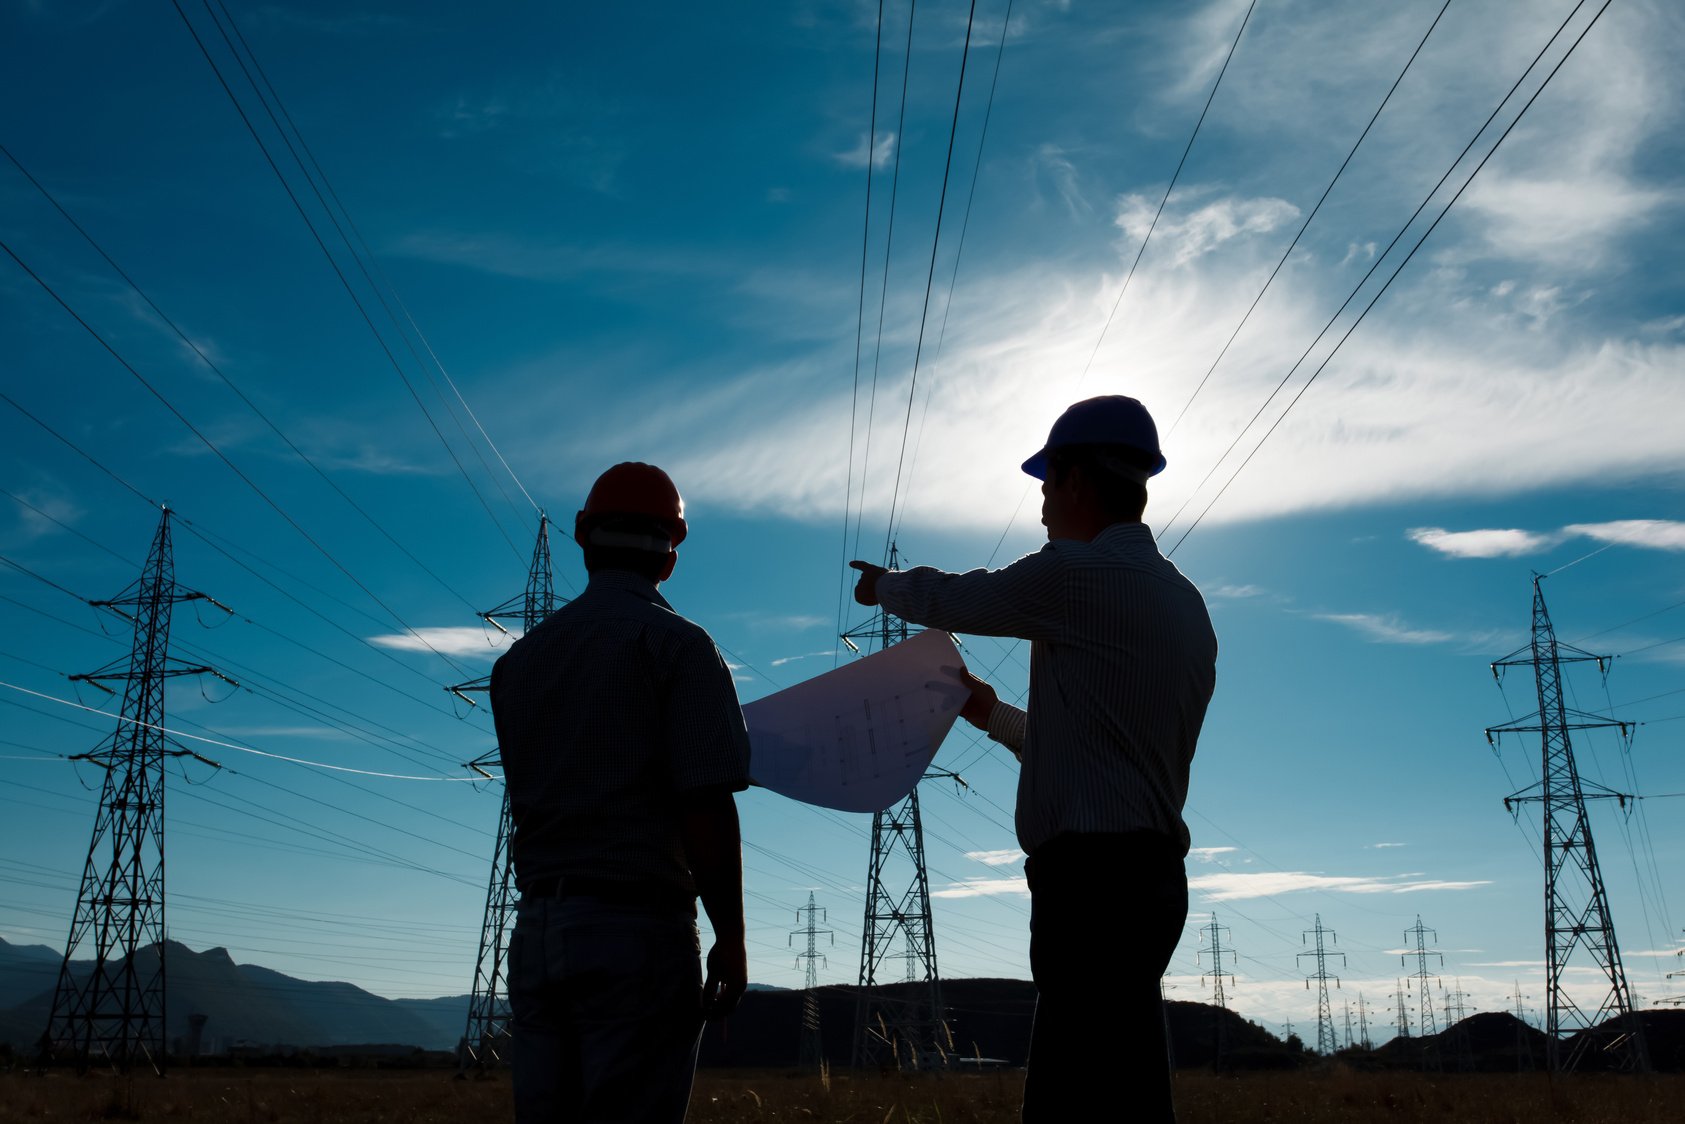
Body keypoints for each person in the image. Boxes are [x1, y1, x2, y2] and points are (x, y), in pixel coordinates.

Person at [850, 396, 1216, 1123]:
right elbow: (1103, 752)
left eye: (1048, 484)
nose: (1043, 503)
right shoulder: (1185, 603)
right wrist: (988, 715)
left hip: (1091, 882)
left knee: (1070, 1094)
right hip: (1147, 881)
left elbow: (963, 598)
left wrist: (879, 587)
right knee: (1126, 1085)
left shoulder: (1074, 575)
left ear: (1077, 480)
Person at [490, 462, 751, 1123]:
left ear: (583, 538)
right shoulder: (682, 648)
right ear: (670, 556)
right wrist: (731, 937)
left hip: (537, 930)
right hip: (639, 931)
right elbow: (704, 805)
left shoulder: (517, 665)